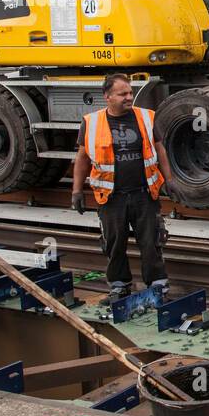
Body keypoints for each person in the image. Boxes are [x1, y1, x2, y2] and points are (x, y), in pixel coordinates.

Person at [72, 73, 175, 302]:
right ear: (107, 97)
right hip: (111, 197)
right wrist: (77, 191)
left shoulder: (146, 117)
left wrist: (169, 180)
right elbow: (82, 159)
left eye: (130, 92)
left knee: (151, 242)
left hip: (144, 194)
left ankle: (157, 288)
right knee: (114, 244)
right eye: (123, 94)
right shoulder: (92, 122)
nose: (129, 97)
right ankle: (119, 287)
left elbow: (161, 150)